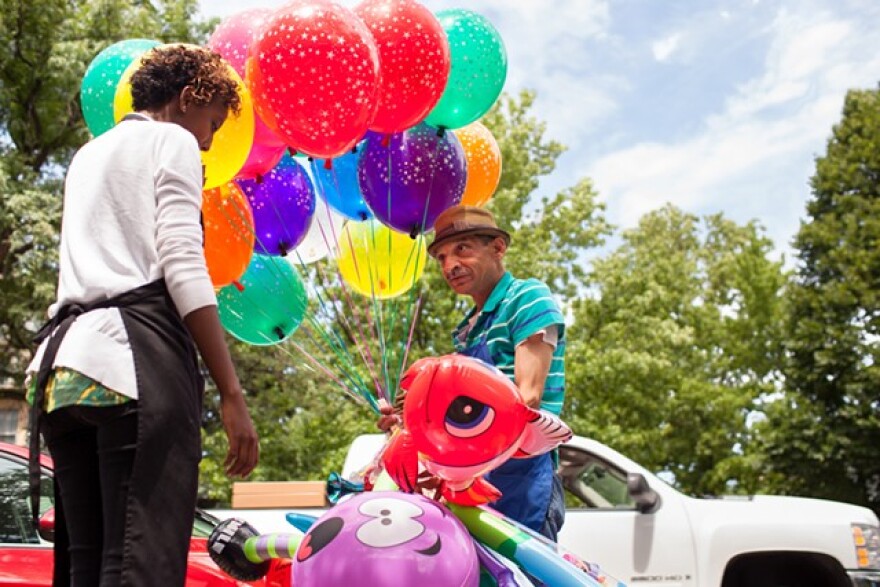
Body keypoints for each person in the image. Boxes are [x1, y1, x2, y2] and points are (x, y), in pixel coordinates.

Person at [25, 44, 259, 586]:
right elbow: (181, 260)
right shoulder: (171, 140)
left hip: (62, 376)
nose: (209, 140)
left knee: (87, 560)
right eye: (212, 122)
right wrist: (230, 390)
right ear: (186, 100)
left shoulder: (89, 154)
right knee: (140, 562)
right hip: (131, 364)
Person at [380, 205, 567, 540]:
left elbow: (527, 399)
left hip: (521, 477)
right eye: (441, 257)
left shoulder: (527, 297)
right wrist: (411, 431)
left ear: (498, 247)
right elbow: (462, 413)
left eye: (462, 249)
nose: (450, 266)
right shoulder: (467, 330)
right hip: (473, 481)